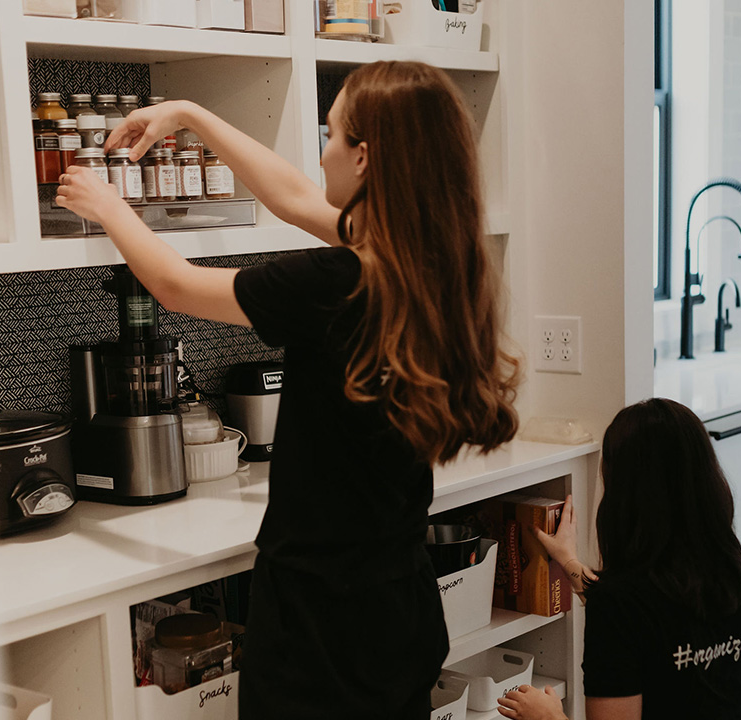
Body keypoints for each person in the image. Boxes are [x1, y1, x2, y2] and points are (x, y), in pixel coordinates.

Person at [55, 60, 521, 719]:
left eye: (330, 135)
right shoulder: (432, 264)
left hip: (320, 616)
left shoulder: (337, 282)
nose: (321, 152)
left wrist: (106, 205)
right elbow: (297, 200)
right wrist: (188, 112)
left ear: (364, 158)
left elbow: (175, 284)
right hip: (398, 603)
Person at [498, 398, 741, 720]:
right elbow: (647, 625)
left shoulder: (620, 602)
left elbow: (630, 616)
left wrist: (549, 716)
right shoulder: (734, 573)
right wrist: (567, 559)